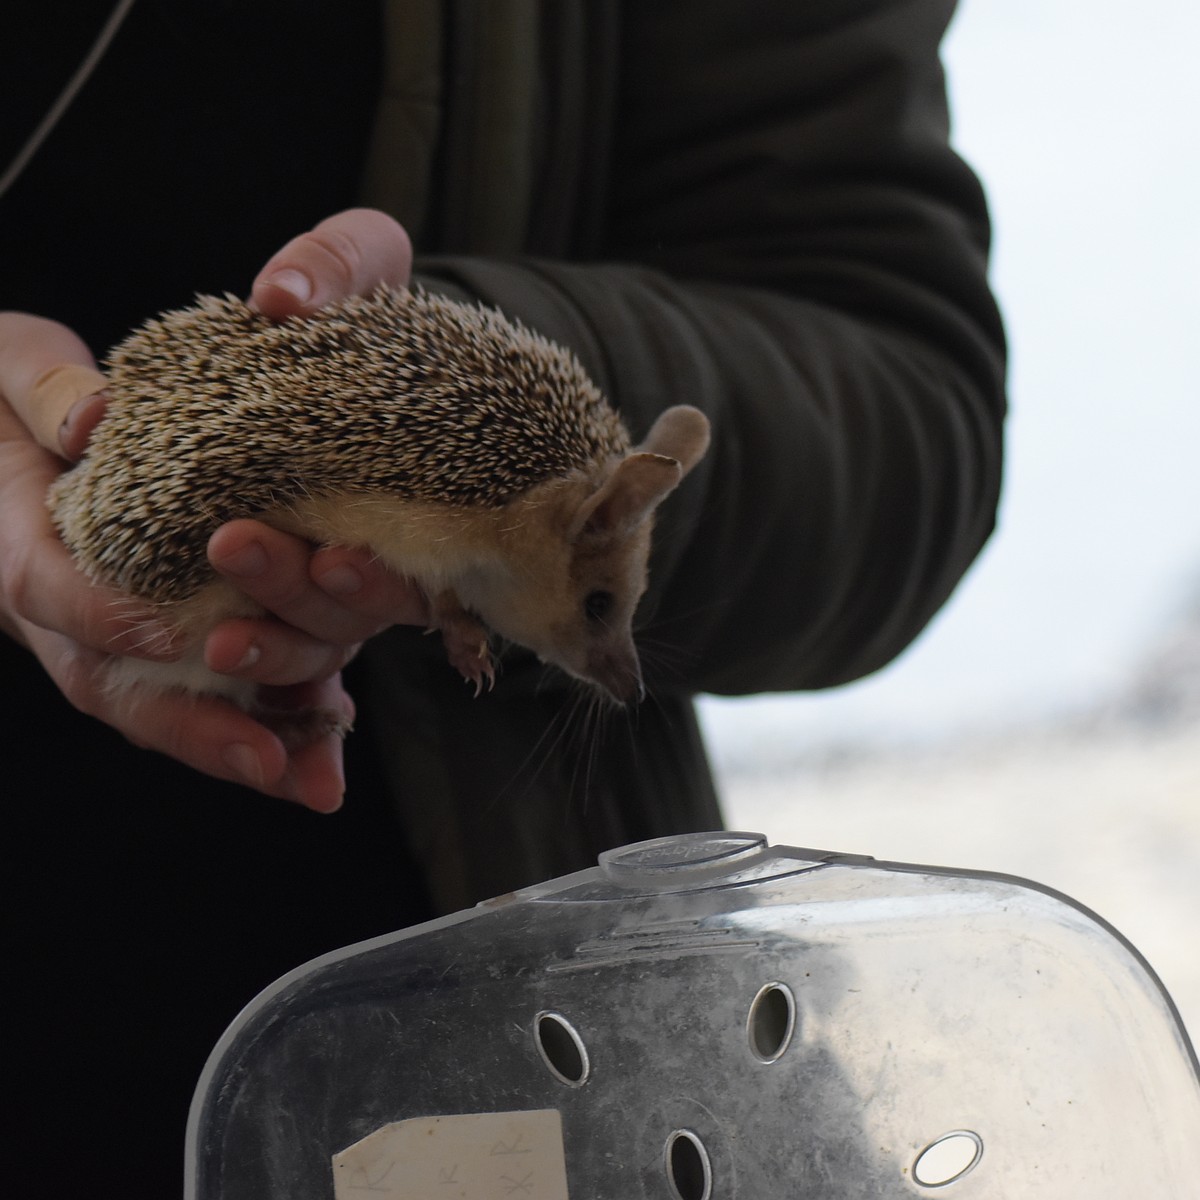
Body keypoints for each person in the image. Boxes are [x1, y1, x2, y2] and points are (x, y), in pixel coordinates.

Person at [1, 1, 1006, 1194]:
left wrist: (451, 360)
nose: (613, 662)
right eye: (597, 616)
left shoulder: (468, 528)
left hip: (474, 1064)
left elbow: (906, 403)